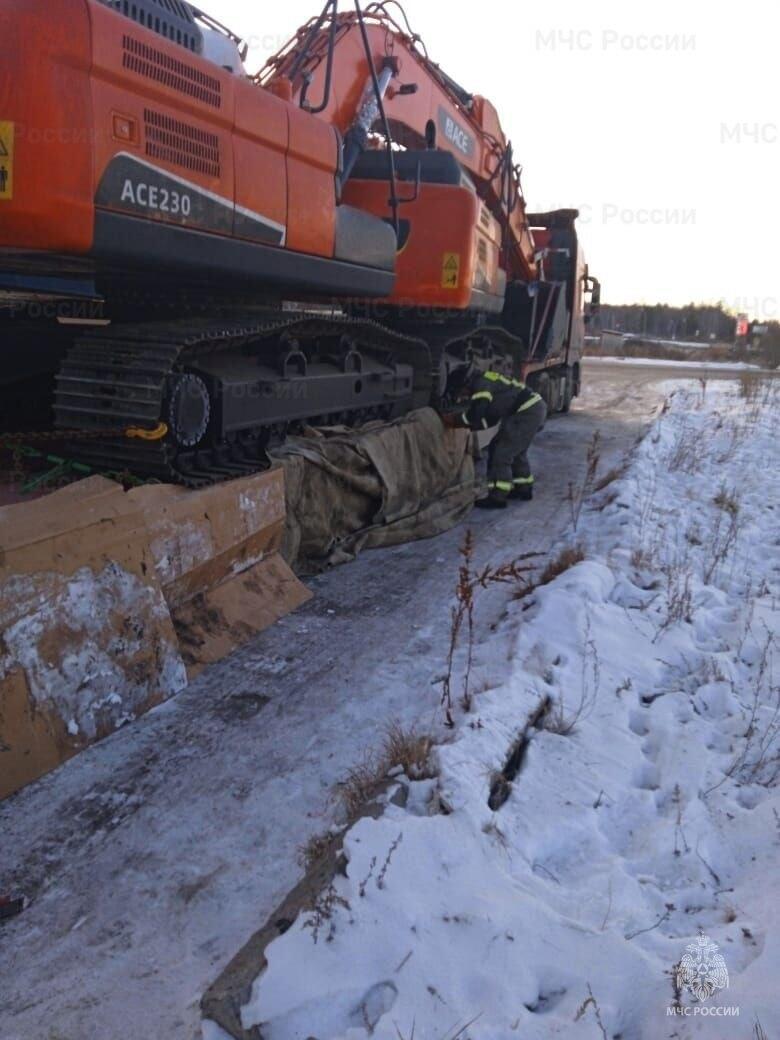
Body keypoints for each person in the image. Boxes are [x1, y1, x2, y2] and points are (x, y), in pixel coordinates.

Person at [457, 367, 547, 509]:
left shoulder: (481, 385)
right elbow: (490, 418)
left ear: (466, 383)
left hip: (525, 412)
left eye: (462, 391)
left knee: (501, 453)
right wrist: (474, 425)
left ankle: (498, 497)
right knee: (514, 450)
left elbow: (477, 413)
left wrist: (456, 421)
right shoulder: (487, 379)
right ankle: (523, 488)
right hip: (531, 409)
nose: (464, 395)